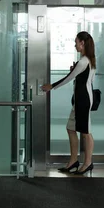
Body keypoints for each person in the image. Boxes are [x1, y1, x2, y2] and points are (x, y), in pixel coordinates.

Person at [41, 31, 96, 175]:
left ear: (82, 43)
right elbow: (82, 78)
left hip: (83, 101)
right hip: (79, 100)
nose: (74, 45)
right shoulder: (87, 60)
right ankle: (73, 161)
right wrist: (75, 71)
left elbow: (68, 78)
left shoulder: (84, 61)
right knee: (71, 128)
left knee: (85, 132)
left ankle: (88, 163)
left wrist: (51, 86)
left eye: (76, 42)